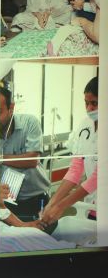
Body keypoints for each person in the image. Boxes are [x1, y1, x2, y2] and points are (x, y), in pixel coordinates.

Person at [0, 85, 50, 221]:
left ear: (11, 108)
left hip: (35, 199)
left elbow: (32, 160)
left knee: (39, 232)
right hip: (5, 203)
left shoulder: (30, 123)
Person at [39, 77, 98, 229]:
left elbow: (99, 177)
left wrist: (61, 206)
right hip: (92, 205)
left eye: (94, 103)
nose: (89, 108)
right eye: (86, 103)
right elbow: (76, 169)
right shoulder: (85, 125)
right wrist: (52, 202)